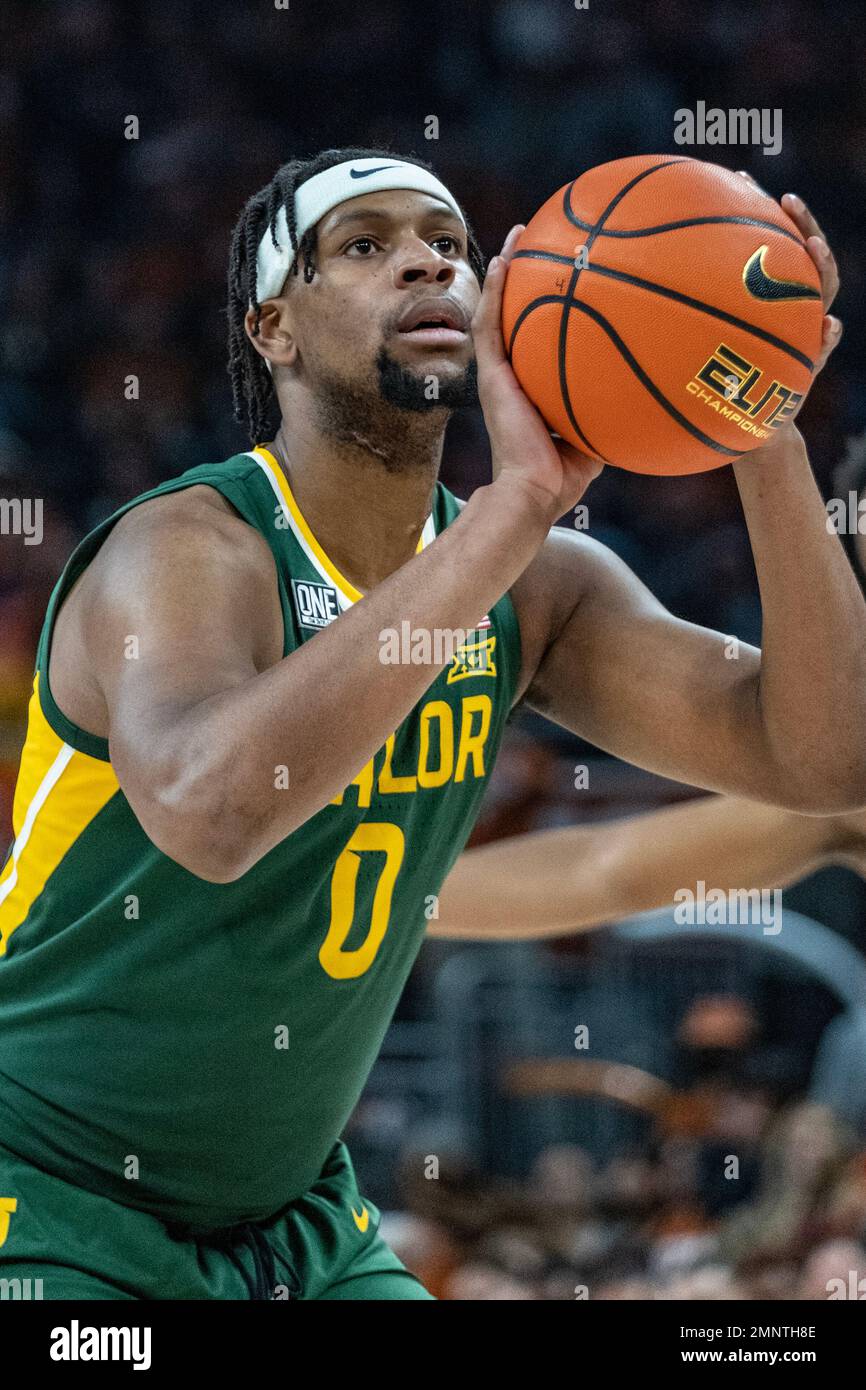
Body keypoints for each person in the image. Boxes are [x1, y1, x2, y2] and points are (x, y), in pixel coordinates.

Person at [1, 146, 863, 1301]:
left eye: (449, 246)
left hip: (294, 1219)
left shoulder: (537, 585)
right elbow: (209, 814)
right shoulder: (191, 547)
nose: (425, 262)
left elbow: (820, 757)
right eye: (366, 246)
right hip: (49, 1198)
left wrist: (764, 432)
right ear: (274, 330)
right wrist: (508, 516)